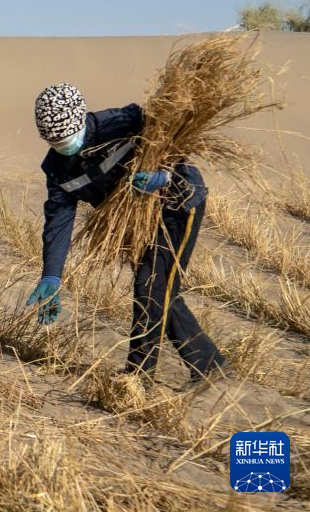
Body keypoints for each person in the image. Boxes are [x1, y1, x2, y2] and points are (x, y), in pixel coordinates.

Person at [30, 83, 228, 383]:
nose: (64, 146)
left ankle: (137, 376)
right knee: (160, 289)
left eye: (67, 138)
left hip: (177, 202)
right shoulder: (57, 169)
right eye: (55, 141)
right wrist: (51, 275)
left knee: (150, 285)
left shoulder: (123, 122)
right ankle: (209, 363)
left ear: (81, 121)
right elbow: (58, 220)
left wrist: (166, 174)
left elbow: (176, 134)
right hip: (134, 223)